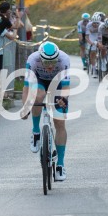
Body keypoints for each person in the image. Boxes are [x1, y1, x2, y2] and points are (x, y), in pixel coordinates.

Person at [21, 42, 70, 181]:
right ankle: (36, 131)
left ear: (58, 58)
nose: (50, 66)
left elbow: (66, 88)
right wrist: (25, 108)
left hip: (58, 83)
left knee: (60, 124)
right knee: (38, 95)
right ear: (40, 58)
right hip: (39, 81)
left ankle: (60, 164)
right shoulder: (32, 60)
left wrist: (63, 99)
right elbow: (26, 88)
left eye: (53, 62)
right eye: (46, 62)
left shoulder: (64, 60)